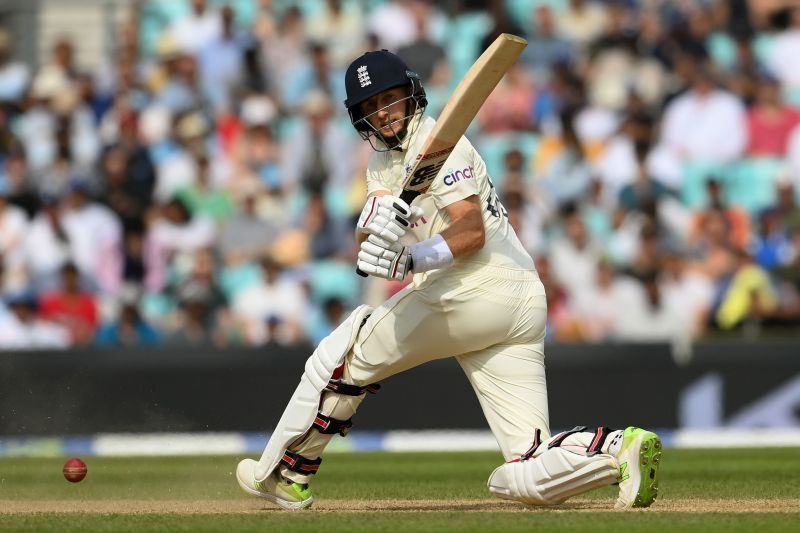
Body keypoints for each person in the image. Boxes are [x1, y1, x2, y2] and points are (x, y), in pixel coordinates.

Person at [236, 50, 661, 510]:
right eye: (371, 106)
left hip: (478, 286)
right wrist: (376, 223)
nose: (383, 112)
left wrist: (412, 258)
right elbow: (373, 224)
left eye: (390, 99)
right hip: (513, 304)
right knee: (522, 472)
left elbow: (471, 231)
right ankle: (617, 450)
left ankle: (287, 472)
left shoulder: (443, 141)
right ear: (359, 117)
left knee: (346, 352)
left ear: (410, 94)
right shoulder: (382, 161)